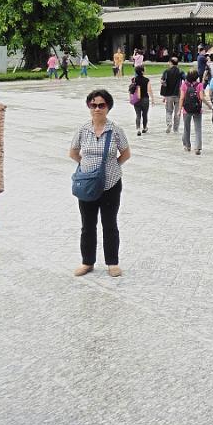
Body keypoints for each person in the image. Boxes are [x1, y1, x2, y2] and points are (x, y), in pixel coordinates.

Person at [69, 89, 131, 279]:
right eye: (93, 105)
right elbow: (73, 153)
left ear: (108, 107)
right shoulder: (82, 130)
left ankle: (112, 262)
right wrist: (88, 169)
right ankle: (87, 261)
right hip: (87, 185)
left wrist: (110, 168)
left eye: (101, 105)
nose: (97, 108)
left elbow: (125, 154)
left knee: (109, 223)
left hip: (111, 184)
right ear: (89, 107)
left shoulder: (116, 131)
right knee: (87, 225)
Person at [180, 68, 204, 154]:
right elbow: (201, 98)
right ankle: (197, 147)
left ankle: (187, 145)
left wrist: (179, 110)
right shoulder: (200, 85)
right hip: (197, 109)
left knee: (187, 128)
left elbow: (182, 98)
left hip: (186, 109)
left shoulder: (184, 85)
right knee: (198, 129)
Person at [160, 56, 184, 134]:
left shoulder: (166, 71)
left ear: (170, 62)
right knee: (177, 112)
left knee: (168, 110)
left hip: (168, 94)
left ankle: (169, 123)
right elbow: (186, 79)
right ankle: (176, 129)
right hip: (178, 94)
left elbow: (162, 81)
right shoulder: (180, 71)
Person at [130, 65, 155, 136]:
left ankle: (138, 129)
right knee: (145, 114)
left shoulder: (133, 79)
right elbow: (149, 90)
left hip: (137, 99)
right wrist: (152, 99)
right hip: (145, 99)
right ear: (142, 71)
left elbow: (132, 89)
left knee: (138, 115)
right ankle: (144, 128)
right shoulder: (147, 80)